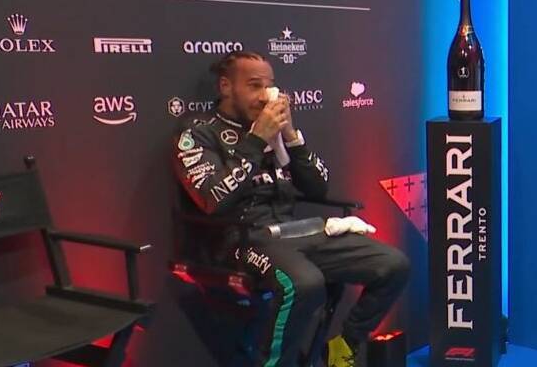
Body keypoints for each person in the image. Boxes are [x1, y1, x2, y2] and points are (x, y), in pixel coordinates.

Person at [171, 50, 410, 367]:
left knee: (393, 264)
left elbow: (318, 188)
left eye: (269, 86)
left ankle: (343, 346)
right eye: (254, 85)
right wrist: (256, 140)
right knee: (304, 283)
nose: (264, 95)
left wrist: (292, 138)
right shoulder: (198, 131)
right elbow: (212, 199)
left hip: (292, 232)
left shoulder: (275, 130)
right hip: (240, 239)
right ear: (226, 86)